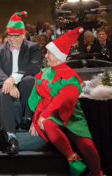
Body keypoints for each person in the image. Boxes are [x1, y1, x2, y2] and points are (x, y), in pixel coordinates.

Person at [28, 27, 105, 176]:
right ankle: (73, 159)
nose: (46, 55)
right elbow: (36, 96)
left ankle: (97, 173)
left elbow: (63, 98)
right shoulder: (43, 73)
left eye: (49, 53)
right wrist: (35, 118)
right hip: (49, 113)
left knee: (86, 144)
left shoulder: (71, 76)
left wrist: (45, 113)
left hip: (70, 112)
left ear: (57, 56)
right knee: (48, 123)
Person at [0, 11, 42, 155]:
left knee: (29, 80)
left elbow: (35, 66)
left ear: (23, 35)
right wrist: (9, 83)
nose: (12, 39)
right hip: (4, 84)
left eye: (16, 36)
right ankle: (11, 137)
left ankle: (27, 117)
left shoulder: (33, 47)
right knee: (3, 93)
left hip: (20, 82)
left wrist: (14, 78)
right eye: (10, 36)